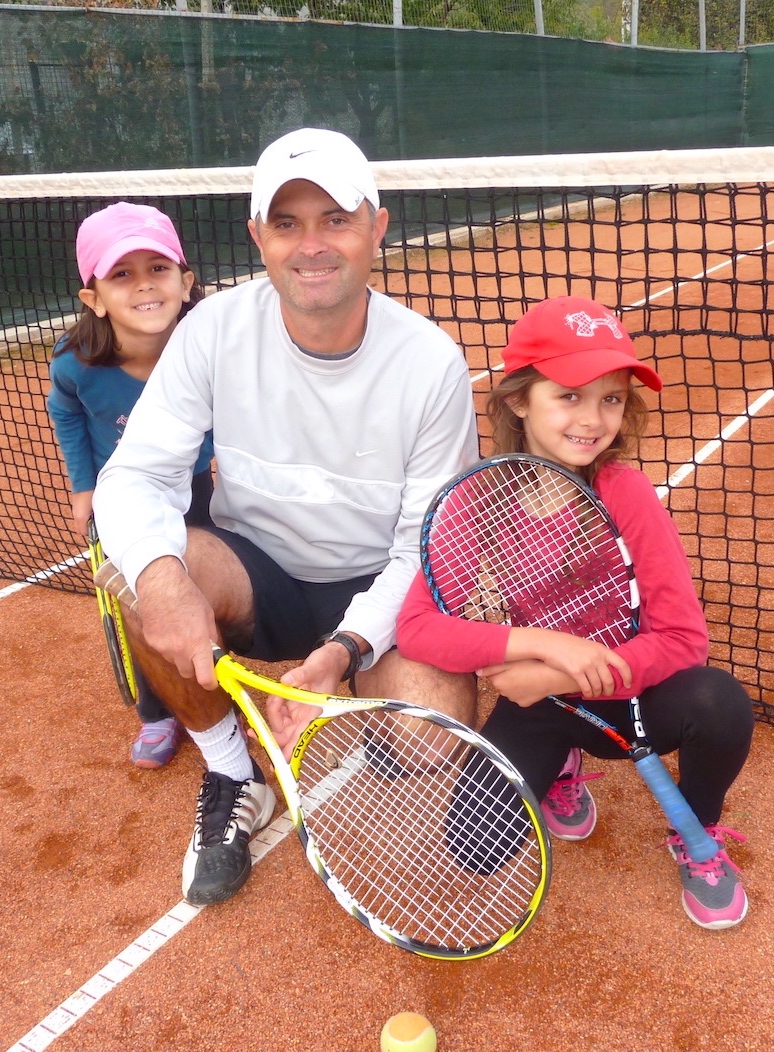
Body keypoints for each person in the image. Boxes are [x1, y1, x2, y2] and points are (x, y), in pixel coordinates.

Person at [92, 128, 480, 908]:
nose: (312, 245)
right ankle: (234, 770)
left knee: (433, 737)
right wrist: (165, 582)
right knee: (130, 572)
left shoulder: (432, 362)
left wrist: (343, 650)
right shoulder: (212, 331)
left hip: (378, 587)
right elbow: (134, 476)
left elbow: (423, 547)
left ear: (377, 226)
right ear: (256, 238)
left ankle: (368, 709)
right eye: (287, 223)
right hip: (257, 572)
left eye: (335, 219)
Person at [397, 294, 754, 930]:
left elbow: (682, 640)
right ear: (517, 400)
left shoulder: (627, 493)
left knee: (719, 701)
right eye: (569, 396)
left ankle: (696, 831)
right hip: (541, 709)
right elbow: (417, 628)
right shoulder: (476, 501)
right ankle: (562, 767)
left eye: (611, 398)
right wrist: (538, 648)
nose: (593, 419)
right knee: (472, 845)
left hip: (632, 697)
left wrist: (558, 673)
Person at [48, 202, 214, 770]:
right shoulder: (75, 365)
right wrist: (83, 486)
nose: (144, 285)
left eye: (158, 269)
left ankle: (211, 687)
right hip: (120, 506)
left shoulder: (206, 344)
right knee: (141, 605)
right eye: (122, 274)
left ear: (185, 281)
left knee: (200, 586)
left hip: (194, 487)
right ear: (94, 297)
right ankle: (158, 711)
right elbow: (65, 413)